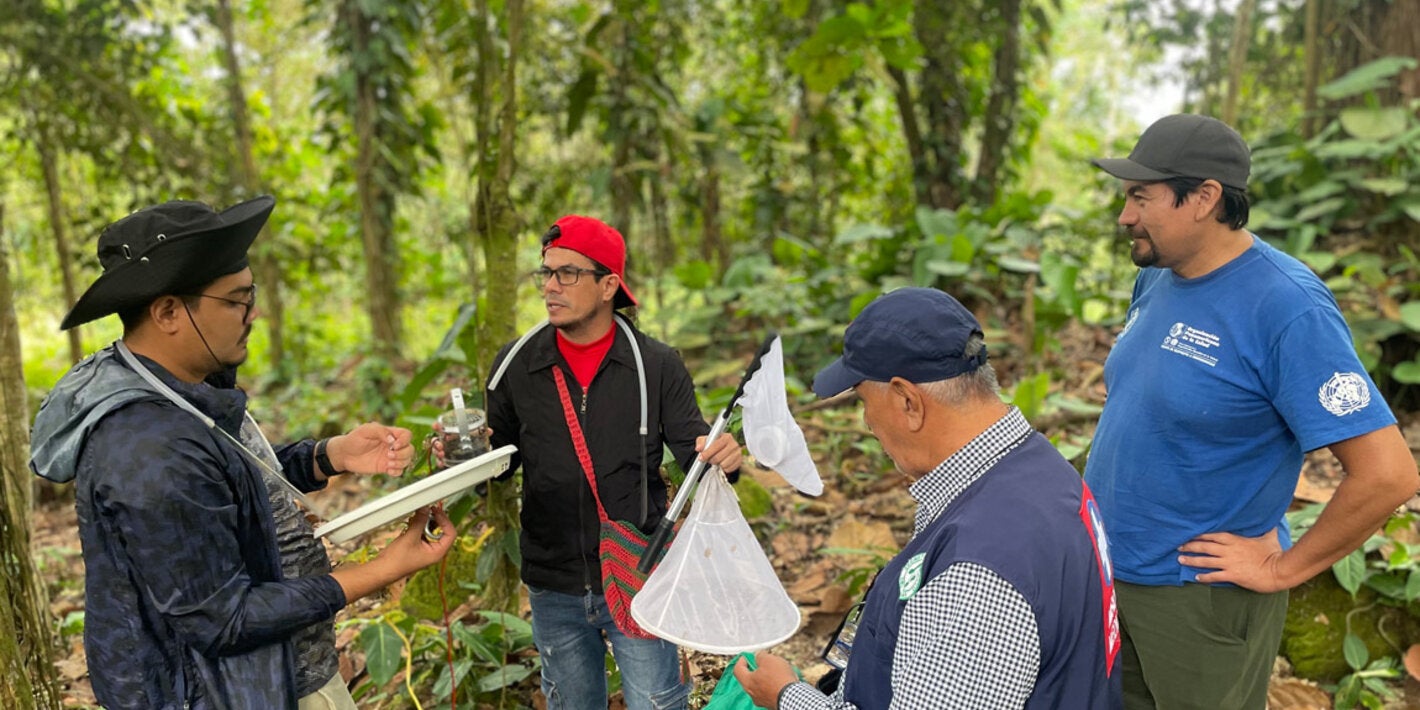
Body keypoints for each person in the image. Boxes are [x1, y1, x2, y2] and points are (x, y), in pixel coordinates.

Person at [28, 195, 458, 710]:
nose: (252, 314)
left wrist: (328, 456)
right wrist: (382, 569)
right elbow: (222, 619)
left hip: (286, 674)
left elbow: (222, 484)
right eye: (235, 300)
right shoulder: (147, 446)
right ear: (168, 312)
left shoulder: (181, 388)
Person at [1084, 113, 1419, 709]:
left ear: (1205, 198)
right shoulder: (1158, 278)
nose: (1124, 215)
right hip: (1113, 575)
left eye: (1142, 196)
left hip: (1198, 598)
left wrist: (1284, 569)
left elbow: (1389, 474)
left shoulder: (1287, 307)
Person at [734, 287, 1122, 710]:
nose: (867, 422)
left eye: (865, 401)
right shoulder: (1039, 469)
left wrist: (787, 697)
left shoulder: (978, 574)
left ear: (907, 401)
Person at [483, 215, 743, 710]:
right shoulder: (515, 364)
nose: (550, 287)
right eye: (546, 273)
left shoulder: (656, 364)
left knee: (656, 701)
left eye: (567, 274)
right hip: (552, 580)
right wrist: (461, 459)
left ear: (609, 286)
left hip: (636, 572)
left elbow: (699, 460)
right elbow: (498, 465)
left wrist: (725, 459)